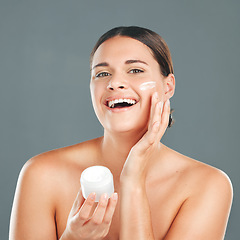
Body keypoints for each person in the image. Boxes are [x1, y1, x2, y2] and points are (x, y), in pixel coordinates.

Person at [9, 26, 233, 240]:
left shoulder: (208, 185)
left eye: (135, 70)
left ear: (168, 86)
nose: (115, 83)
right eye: (102, 73)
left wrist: (133, 180)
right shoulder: (42, 174)